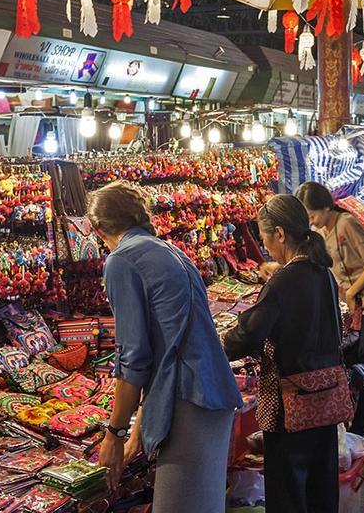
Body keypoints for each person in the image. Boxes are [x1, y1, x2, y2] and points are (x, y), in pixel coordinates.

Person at [87, 182, 243, 510]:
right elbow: (165, 352)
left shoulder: (122, 261)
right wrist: (136, 434)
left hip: (189, 399)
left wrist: (114, 434)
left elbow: (134, 357)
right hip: (210, 397)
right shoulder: (170, 252)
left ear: (97, 228)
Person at [223, 195, 343, 513]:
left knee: (288, 489)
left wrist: (223, 342)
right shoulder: (323, 273)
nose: (265, 248)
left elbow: (248, 335)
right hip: (326, 398)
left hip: (291, 403)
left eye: (264, 239)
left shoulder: (284, 280)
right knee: (321, 484)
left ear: (279, 234)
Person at [295, 181, 364, 438]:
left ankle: (359, 429)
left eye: (313, 215)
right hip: (361, 305)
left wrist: (350, 292)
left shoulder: (347, 224)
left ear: (327, 206)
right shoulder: (325, 233)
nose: (312, 222)